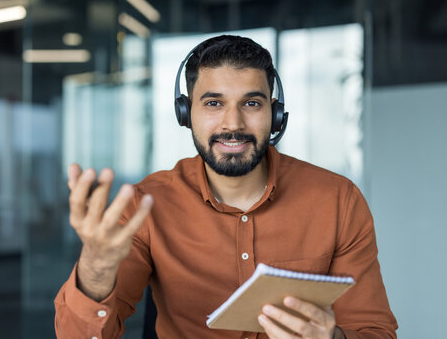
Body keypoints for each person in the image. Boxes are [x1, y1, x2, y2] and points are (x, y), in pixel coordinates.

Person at [54, 35, 397, 339]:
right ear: (185, 113)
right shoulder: (147, 204)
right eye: (213, 103)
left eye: (251, 103)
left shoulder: (337, 201)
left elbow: (376, 332)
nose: (233, 124)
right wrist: (95, 269)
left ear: (276, 115)